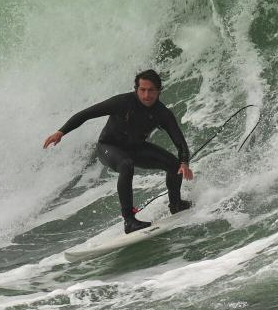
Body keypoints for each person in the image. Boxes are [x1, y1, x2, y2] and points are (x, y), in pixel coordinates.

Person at [43, 69, 193, 234]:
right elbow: (86, 114)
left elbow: (179, 140)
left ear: (159, 91)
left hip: (135, 148)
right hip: (108, 146)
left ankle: (176, 204)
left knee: (174, 164)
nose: (146, 95)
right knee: (126, 165)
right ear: (136, 89)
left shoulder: (162, 113)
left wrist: (184, 162)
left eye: (151, 90)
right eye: (142, 90)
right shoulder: (123, 102)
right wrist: (61, 132)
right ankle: (129, 221)